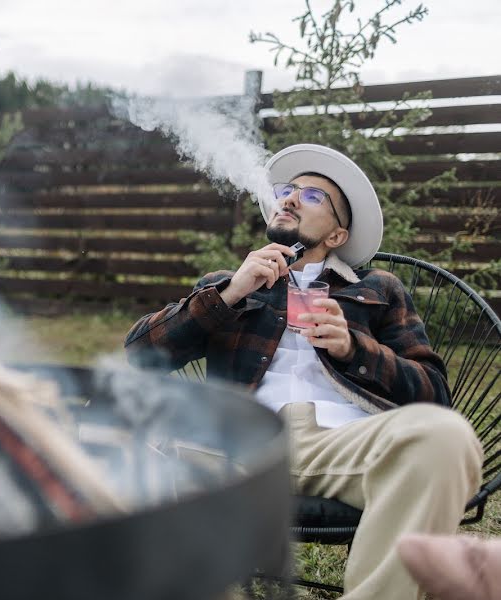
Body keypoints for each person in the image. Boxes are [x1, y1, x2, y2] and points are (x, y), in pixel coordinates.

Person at [124, 144, 484, 600]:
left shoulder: (377, 290)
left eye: (313, 197)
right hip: (236, 446)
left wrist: (356, 348)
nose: (291, 198)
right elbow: (139, 355)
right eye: (286, 191)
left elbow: (434, 394)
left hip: (341, 445)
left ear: (336, 236)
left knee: (445, 435)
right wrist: (232, 292)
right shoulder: (228, 285)